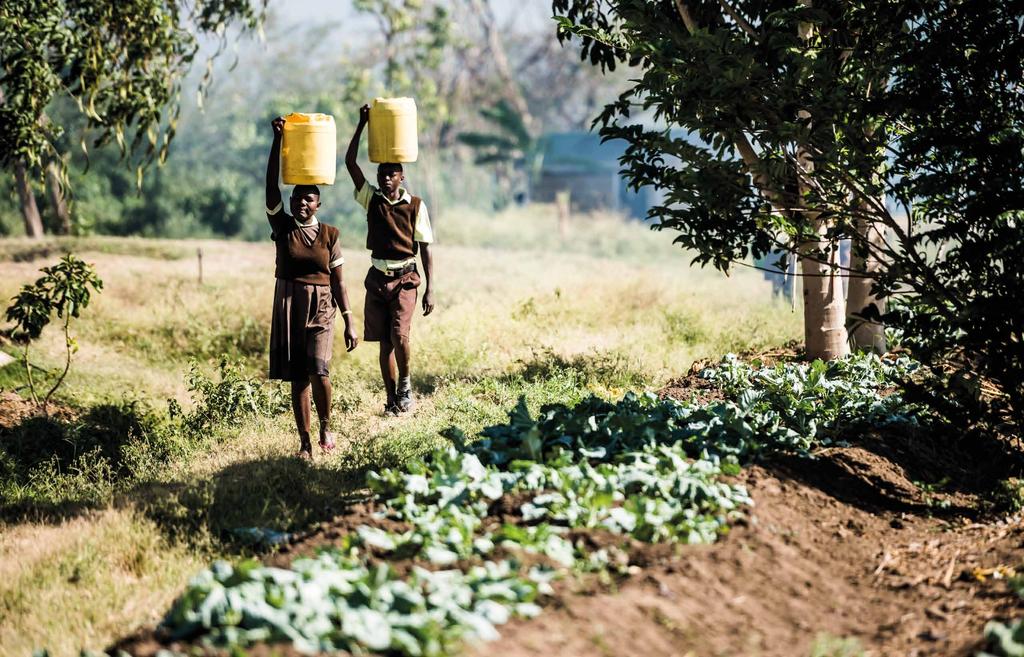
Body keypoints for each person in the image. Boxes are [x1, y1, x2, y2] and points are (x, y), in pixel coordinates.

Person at [266, 116, 358, 459]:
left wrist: (349, 319)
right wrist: (277, 142)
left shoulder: (330, 234)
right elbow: (271, 189)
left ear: (319, 204)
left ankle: (325, 424)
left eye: (309, 199)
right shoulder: (283, 228)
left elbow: (339, 280)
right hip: (289, 302)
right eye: (297, 199)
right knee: (298, 377)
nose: (301, 203)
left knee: (319, 370)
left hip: (321, 305)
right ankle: (305, 443)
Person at [345, 104, 435, 415]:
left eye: (391, 174)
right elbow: (349, 162)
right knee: (384, 344)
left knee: (400, 335)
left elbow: (425, 248)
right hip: (378, 277)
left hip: (406, 278)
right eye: (382, 173)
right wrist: (361, 124)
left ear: (401, 176)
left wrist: (430, 288)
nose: (385, 178)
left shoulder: (416, 206)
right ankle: (392, 399)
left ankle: (406, 384)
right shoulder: (371, 199)